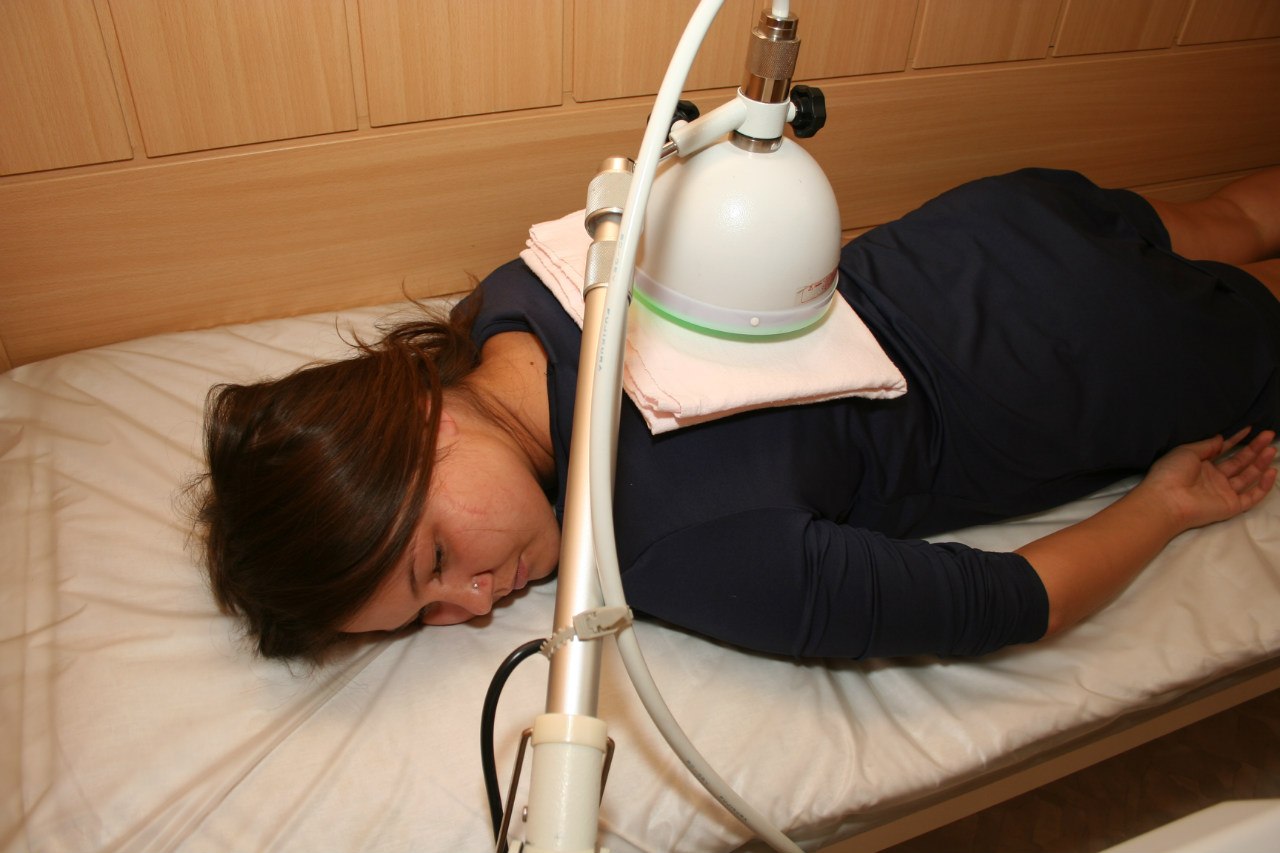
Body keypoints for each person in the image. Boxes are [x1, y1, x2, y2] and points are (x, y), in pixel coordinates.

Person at [194, 167, 1280, 663]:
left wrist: (1164, 506)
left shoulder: (673, 549)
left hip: (1079, 366)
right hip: (988, 226)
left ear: (419, 427)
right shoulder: (525, 287)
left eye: (435, 560)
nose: (476, 603)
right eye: (425, 616)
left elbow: (1014, 603)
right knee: (1229, 213)